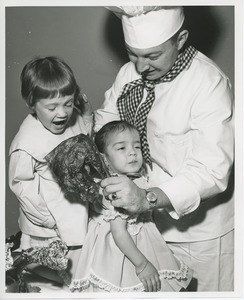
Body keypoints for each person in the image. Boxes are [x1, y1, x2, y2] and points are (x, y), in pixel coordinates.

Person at [94, 6, 234, 291]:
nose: (141, 66)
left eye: (153, 55)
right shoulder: (127, 74)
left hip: (199, 233)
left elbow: (211, 171)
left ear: (180, 40)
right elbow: (106, 125)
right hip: (144, 229)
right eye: (133, 54)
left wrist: (146, 198)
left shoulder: (209, 84)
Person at [69, 120, 193, 292]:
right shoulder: (115, 189)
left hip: (142, 241)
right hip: (123, 250)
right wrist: (142, 264)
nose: (133, 153)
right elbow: (119, 232)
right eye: (121, 148)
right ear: (104, 158)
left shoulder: (134, 178)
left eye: (137, 147)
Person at [8, 56, 92, 284]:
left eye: (68, 103)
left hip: (73, 206)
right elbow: (21, 185)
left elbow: (83, 140)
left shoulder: (72, 118)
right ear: (32, 104)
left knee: (77, 262)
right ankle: (20, 261)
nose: (62, 113)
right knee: (52, 263)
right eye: (52, 107)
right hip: (47, 217)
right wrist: (46, 219)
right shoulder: (27, 142)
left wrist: (85, 116)